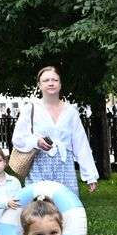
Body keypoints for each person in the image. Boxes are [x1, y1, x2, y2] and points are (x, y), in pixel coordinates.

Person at [10, 67, 99, 197]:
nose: (51, 83)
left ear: (60, 84)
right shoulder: (31, 109)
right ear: (39, 85)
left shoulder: (70, 112)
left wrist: (90, 175)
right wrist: (36, 141)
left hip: (65, 168)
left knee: (66, 207)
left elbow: (81, 144)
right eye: (46, 80)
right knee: (39, 208)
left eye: (55, 80)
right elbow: (17, 138)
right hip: (39, 166)